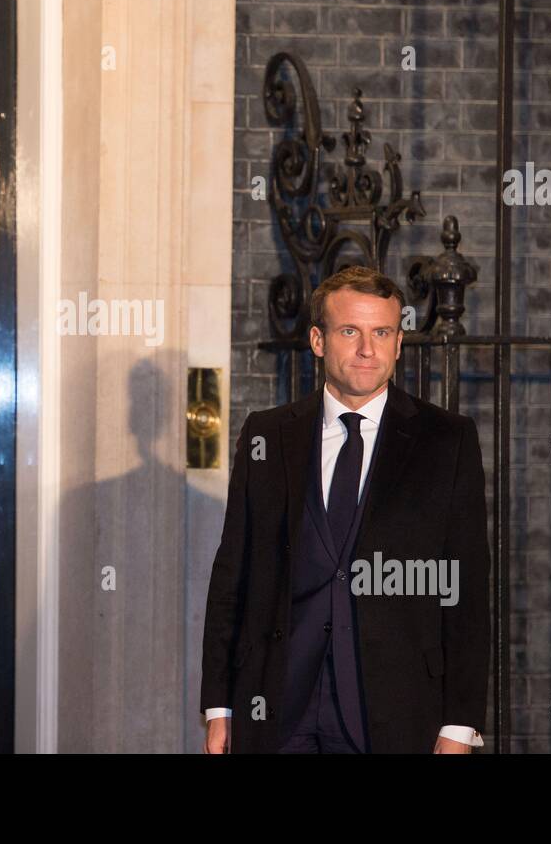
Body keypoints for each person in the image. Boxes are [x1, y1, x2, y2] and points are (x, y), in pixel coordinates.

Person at [200, 265, 489, 753]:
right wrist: (219, 706)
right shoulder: (267, 435)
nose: (367, 349)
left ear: (398, 343)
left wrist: (458, 726)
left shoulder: (448, 440)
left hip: (393, 711)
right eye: (350, 331)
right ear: (318, 340)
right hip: (274, 706)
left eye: (382, 332)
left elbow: (465, 590)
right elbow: (233, 573)